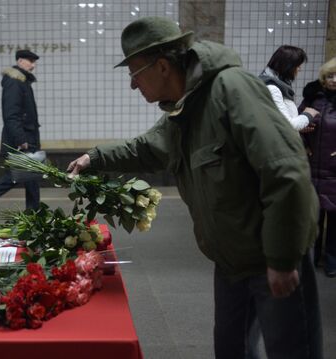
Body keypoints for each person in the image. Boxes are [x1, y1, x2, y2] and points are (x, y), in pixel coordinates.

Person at [67, 16, 323, 358]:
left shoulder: (232, 90)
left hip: (272, 255)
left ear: (161, 66)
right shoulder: (184, 107)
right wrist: (93, 158)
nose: (132, 84)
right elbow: (147, 147)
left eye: (134, 72)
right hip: (231, 260)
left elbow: (286, 171)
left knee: (291, 350)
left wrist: (281, 257)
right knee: (231, 349)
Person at [0, 49, 41, 215]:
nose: (33, 66)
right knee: (17, 175)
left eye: (34, 62)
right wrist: (21, 139)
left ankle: (33, 212)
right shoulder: (14, 82)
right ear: (20, 61)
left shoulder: (22, 81)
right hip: (20, 139)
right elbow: (11, 115)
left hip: (27, 136)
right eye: (30, 61)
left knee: (32, 175)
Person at [299, 57, 336, 278]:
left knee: (335, 222)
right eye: (329, 76)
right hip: (313, 167)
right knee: (313, 218)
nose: (333, 80)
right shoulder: (313, 99)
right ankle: (311, 258)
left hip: (334, 171)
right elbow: (299, 123)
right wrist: (304, 146)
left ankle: (332, 260)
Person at [259, 45, 319, 131]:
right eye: (298, 66)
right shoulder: (272, 88)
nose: (299, 69)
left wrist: (301, 125)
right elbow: (287, 126)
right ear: (288, 67)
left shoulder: (279, 85)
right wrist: (308, 114)